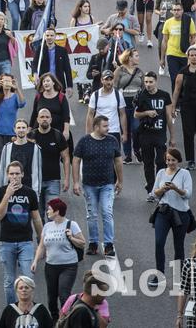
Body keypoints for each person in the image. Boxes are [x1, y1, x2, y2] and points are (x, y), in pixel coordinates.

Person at [71, 115, 122, 257]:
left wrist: (120, 181)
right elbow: (76, 160)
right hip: (89, 185)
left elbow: (118, 161)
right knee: (92, 215)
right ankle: (93, 243)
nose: (108, 128)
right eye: (105, 126)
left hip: (107, 184)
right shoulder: (85, 141)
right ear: (96, 127)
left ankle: (108, 244)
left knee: (107, 212)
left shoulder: (112, 140)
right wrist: (75, 182)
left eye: (108, 125)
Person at [0, 161, 42, 305]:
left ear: (22, 174)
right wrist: (8, 195)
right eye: (11, 174)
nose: (14, 176)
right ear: (7, 175)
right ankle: (12, 309)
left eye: (17, 173)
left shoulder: (30, 193)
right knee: (9, 280)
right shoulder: (0, 192)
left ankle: (27, 309)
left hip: (25, 242)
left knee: (28, 278)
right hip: (6, 242)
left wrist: (41, 239)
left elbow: (36, 218)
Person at [31, 198, 84, 320]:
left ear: (57, 211)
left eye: (49, 209)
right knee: (51, 298)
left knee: (64, 294)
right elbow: (41, 246)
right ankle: (55, 320)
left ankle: (66, 319)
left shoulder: (72, 225)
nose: (47, 211)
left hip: (68, 265)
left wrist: (71, 237)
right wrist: (35, 261)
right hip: (50, 266)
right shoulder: (47, 226)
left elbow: (82, 243)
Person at [151, 148, 193, 291]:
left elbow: (187, 194)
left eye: (173, 160)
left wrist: (175, 188)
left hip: (180, 213)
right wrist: (162, 189)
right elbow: (154, 193)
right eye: (168, 160)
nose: (170, 163)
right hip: (163, 212)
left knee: (178, 245)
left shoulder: (185, 174)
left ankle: (179, 277)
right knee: (158, 242)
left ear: (178, 160)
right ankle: (159, 275)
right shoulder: (161, 173)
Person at [135, 72, 176, 198]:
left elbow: (169, 117)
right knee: (148, 162)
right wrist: (147, 113)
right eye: (146, 82)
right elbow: (136, 114)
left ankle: (159, 187)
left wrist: (172, 137)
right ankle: (150, 189)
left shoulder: (164, 96)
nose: (148, 85)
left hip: (160, 134)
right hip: (145, 134)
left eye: (150, 82)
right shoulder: (141, 95)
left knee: (161, 161)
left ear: (156, 81)